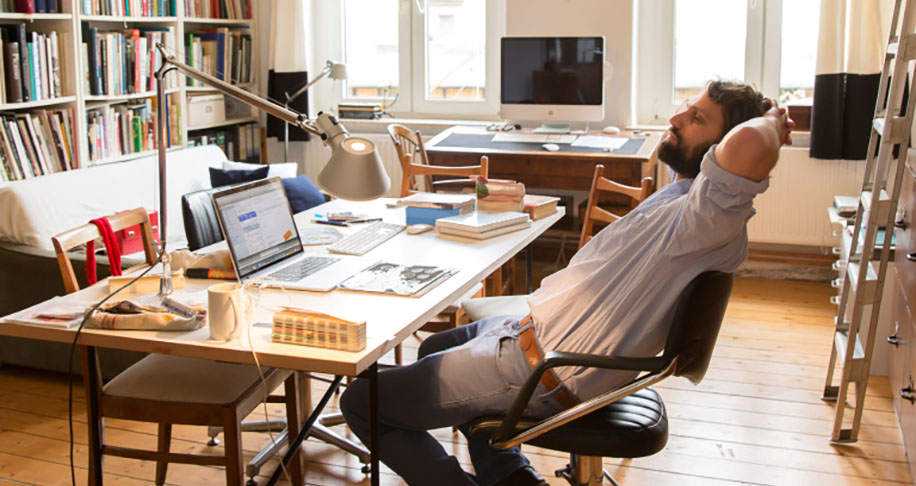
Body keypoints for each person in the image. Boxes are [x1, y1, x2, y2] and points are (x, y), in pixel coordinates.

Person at [340, 80, 795, 486]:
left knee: (362, 401)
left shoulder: (708, 220)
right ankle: (512, 478)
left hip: (535, 370)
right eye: (685, 108)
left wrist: (771, 120)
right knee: (433, 348)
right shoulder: (686, 197)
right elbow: (731, 149)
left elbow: (752, 145)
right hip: (526, 338)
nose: (675, 119)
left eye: (697, 119)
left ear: (723, 148)